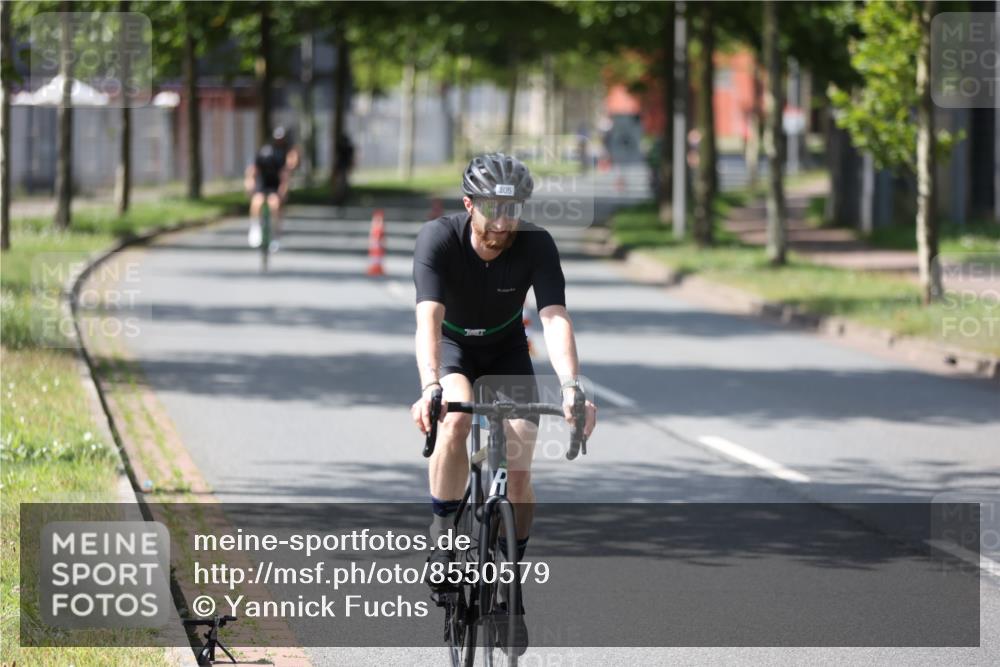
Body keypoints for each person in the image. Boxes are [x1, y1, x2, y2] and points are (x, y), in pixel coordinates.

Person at [409, 153, 597, 647]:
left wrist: (573, 387)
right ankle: (443, 530)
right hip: (453, 349)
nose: (503, 221)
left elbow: (554, 316)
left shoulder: (536, 243)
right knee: (454, 418)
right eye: (493, 208)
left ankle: (511, 581)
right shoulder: (439, 239)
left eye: (513, 208)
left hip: (507, 347)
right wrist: (430, 385)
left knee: (519, 458)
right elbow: (427, 318)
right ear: (468, 204)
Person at [245, 126, 299, 251]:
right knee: (257, 201)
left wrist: (283, 191)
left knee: (275, 204)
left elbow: (285, 176)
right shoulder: (263, 153)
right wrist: (250, 184)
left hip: (275, 185)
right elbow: (252, 172)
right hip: (262, 184)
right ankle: (255, 228)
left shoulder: (283, 155)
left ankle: (275, 234)